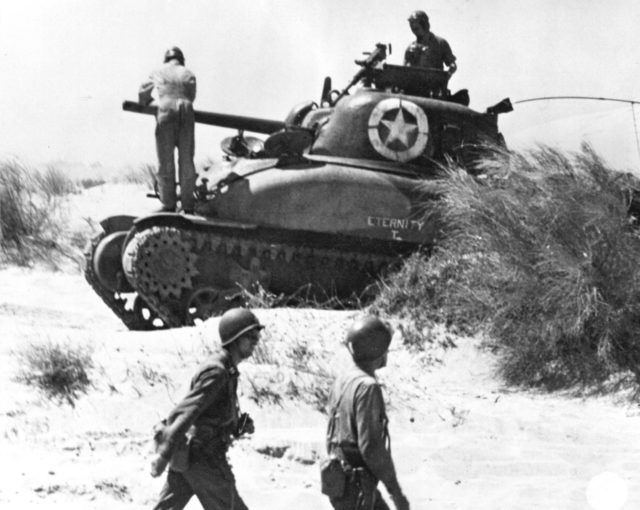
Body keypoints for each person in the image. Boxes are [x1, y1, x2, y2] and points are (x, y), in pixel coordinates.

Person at [150, 307, 265, 510]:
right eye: (250, 337)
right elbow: (186, 412)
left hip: (189, 454)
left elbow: (208, 413)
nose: (255, 342)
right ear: (235, 338)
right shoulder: (217, 371)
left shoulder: (226, 369)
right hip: (203, 458)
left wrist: (238, 425)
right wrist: (164, 454)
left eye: (256, 337)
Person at [323, 316, 410, 510]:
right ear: (379, 350)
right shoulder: (367, 387)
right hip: (356, 485)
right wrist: (395, 491)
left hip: (338, 482)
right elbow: (371, 446)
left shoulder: (341, 381)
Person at [139, 46, 197, 214]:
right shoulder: (189, 73)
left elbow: (143, 92)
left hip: (165, 109)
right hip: (187, 110)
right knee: (187, 160)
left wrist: (150, 102)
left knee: (166, 161)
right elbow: (191, 95)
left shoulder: (159, 71)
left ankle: (169, 204)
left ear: (166, 59)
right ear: (181, 60)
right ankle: (188, 206)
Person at [404, 10, 457, 77]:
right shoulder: (410, 48)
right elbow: (405, 70)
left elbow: (452, 65)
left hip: (435, 85)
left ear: (424, 25)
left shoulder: (440, 43)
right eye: (413, 29)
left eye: (417, 29)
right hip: (415, 85)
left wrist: (446, 76)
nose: (415, 32)